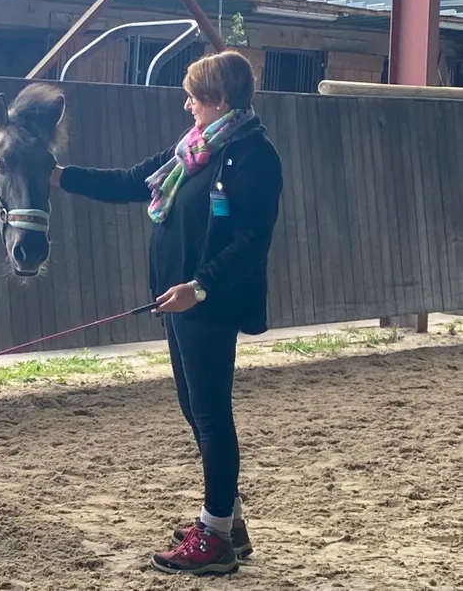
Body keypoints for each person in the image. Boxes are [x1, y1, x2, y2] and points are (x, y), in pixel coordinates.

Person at [50, 50, 283, 576]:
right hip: (177, 300)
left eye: (193, 97)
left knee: (210, 414)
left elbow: (250, 243)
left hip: (209, 302)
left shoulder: (254, 156)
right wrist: (63, 178)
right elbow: (135, 180)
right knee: (193, 407)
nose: (186, 105)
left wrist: (198, 288)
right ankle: (230, 520)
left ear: (219, 100)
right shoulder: (196, 149)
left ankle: (217, 536)